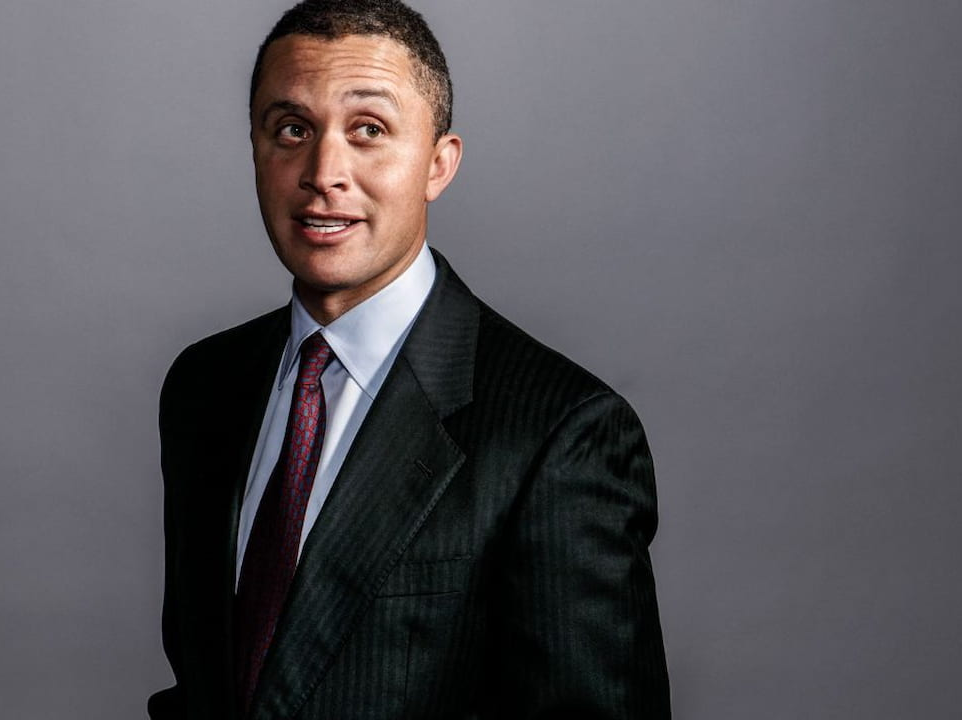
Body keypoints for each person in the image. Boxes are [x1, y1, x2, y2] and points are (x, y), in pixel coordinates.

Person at [149, 1, 669, 717]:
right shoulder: (204, 387)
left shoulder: (561, 433)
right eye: (292, 129)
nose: (324, 172)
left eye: (369, 130)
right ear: (256, 151)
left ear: (438, 163)